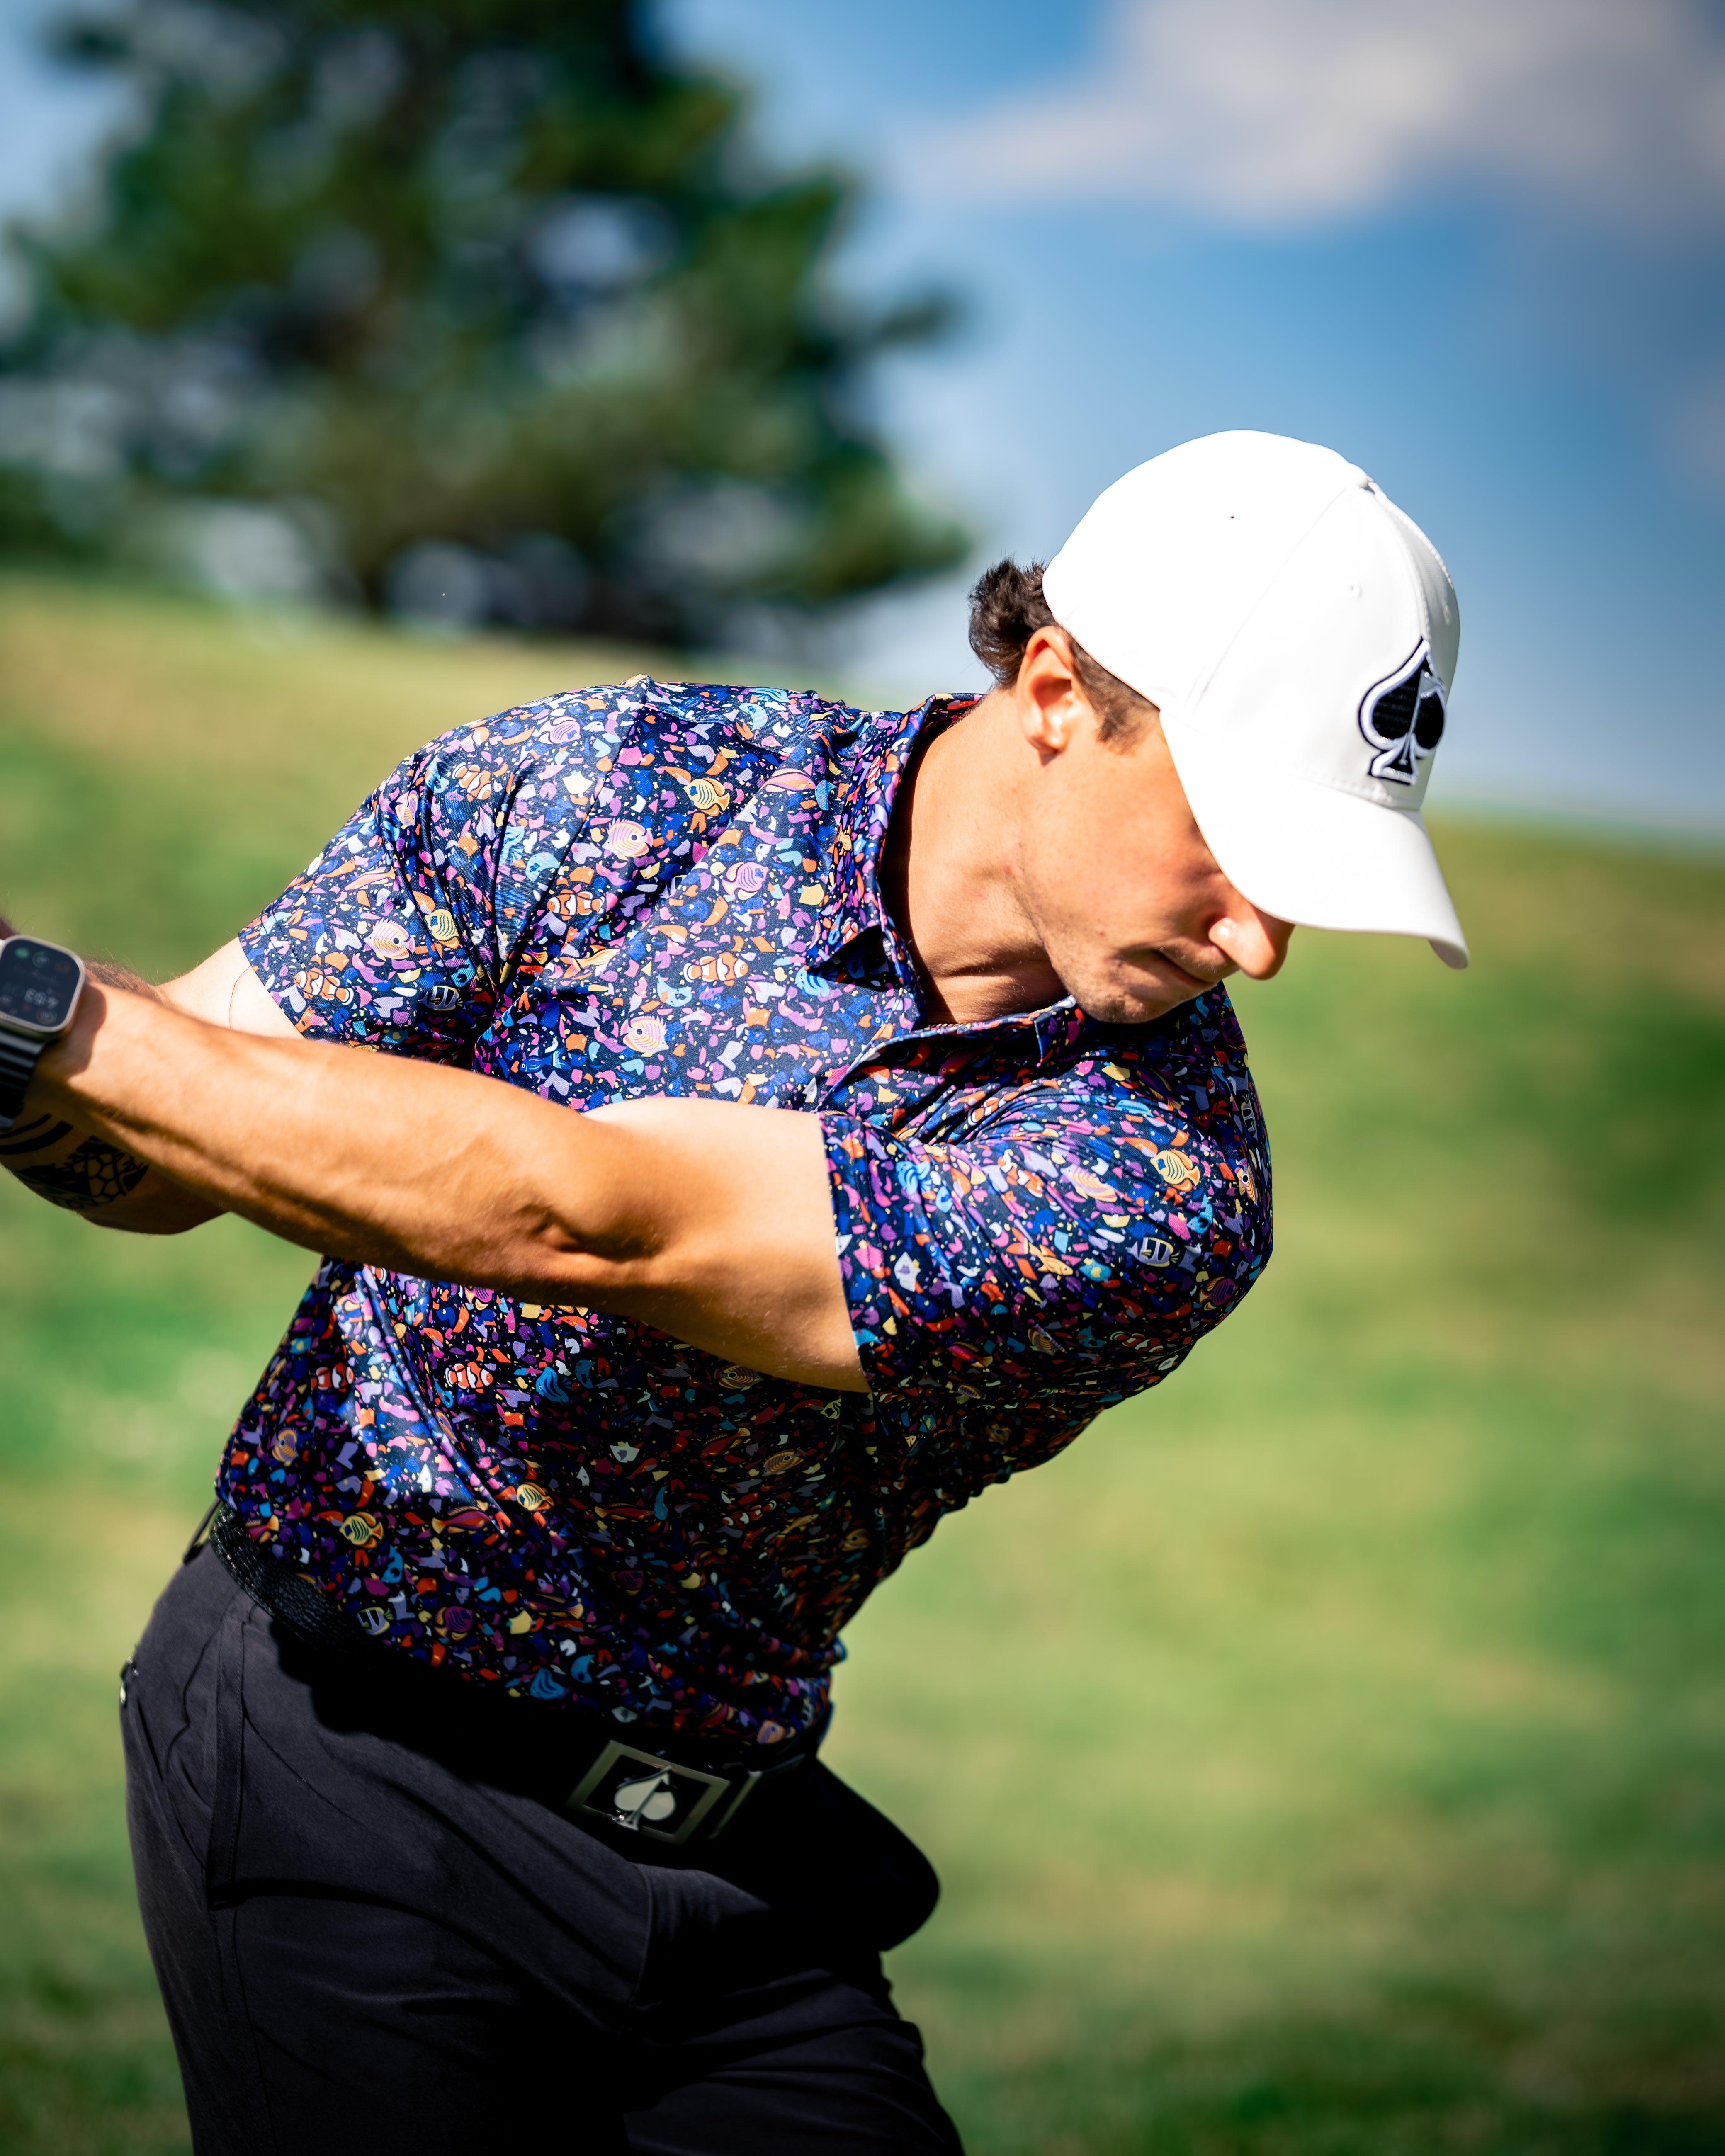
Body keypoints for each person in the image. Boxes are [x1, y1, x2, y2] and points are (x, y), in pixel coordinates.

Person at [0, 430, 1467, 2155]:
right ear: (1058, 688)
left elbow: (602, 1227)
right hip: (342, 1756)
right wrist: (44, 1062)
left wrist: (45, 1015)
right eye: (1237, 844)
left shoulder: (1160, 1176)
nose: (1261, 941)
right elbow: (168, 1144)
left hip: (731, 1875)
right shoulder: (615, 786)